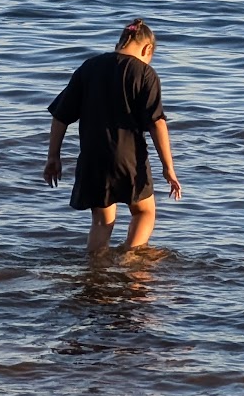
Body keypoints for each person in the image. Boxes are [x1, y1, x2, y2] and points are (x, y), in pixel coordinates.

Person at [43, 19, 182, 254]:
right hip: (128, 158)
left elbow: (60, 116)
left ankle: (94, 272)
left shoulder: (88, 67)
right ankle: (131, 261)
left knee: (101, 221)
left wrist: (53, 157)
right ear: (147, 49)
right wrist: (168, 167)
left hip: (92, 158)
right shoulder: (144, 73)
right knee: (144, 212)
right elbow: (156, 122)